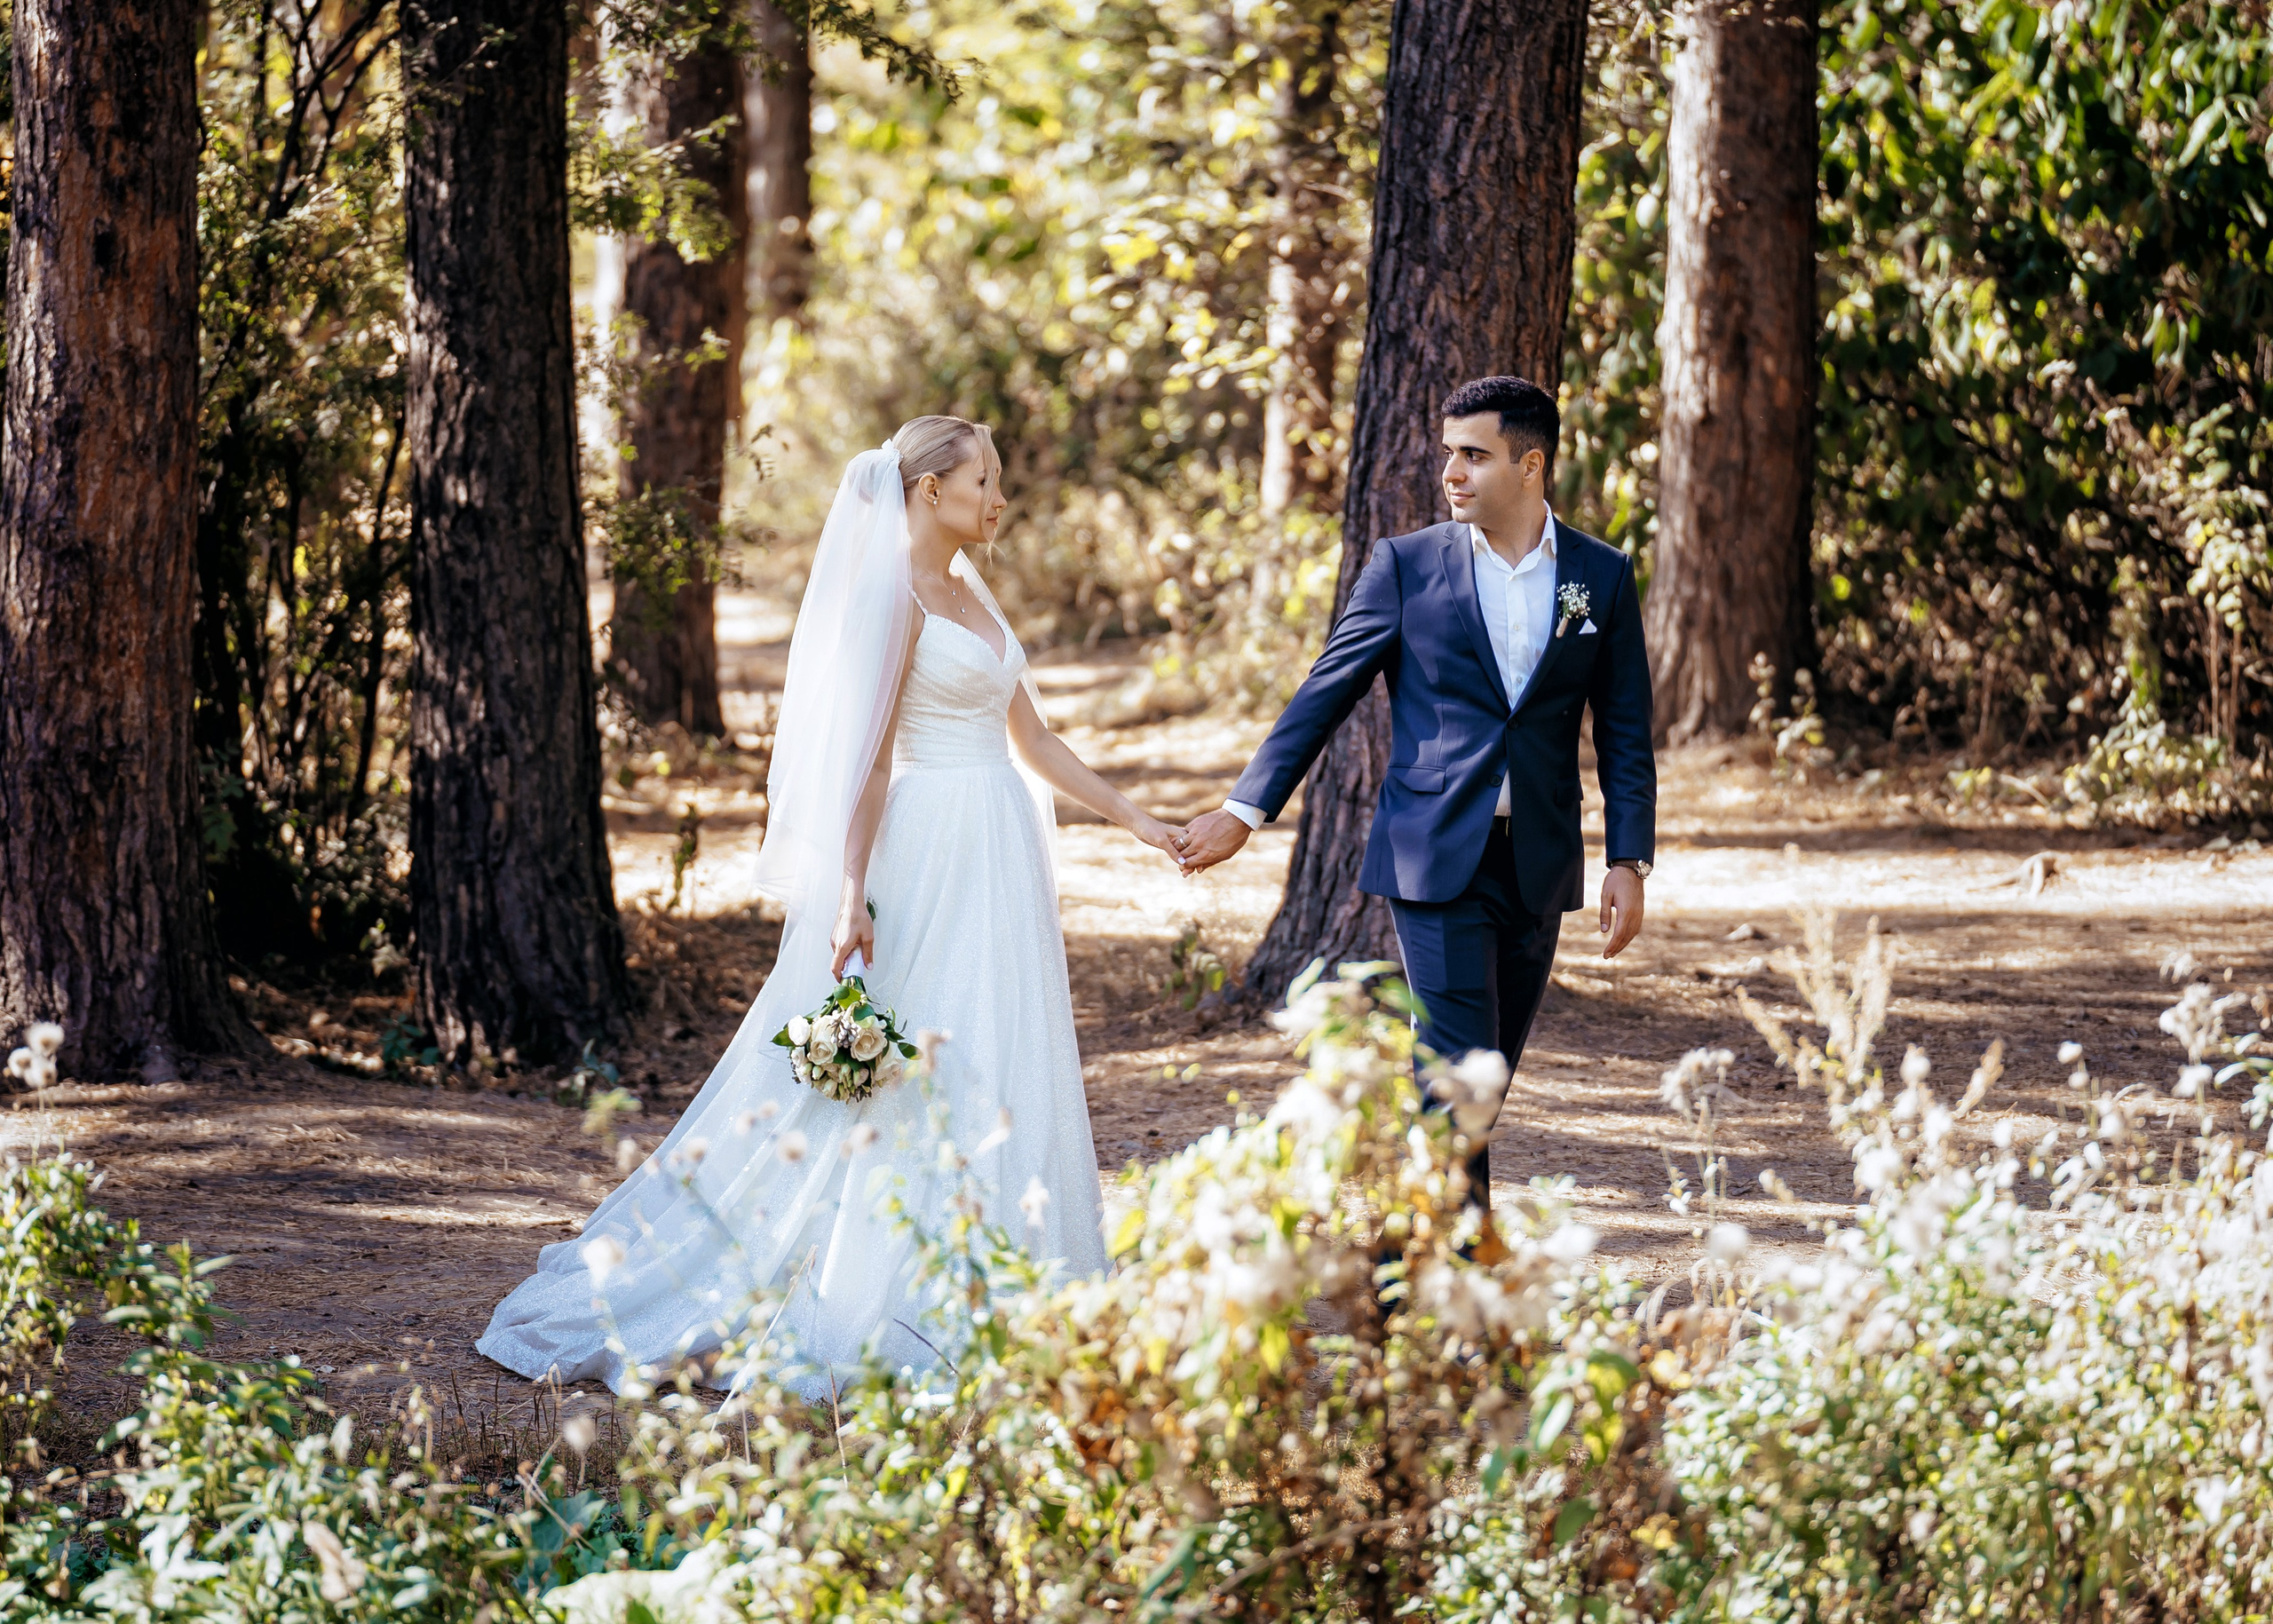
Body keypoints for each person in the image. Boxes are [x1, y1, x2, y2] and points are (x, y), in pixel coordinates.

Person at [478, 416, 1186, 1395]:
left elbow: (1033, 741)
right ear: (930, 488)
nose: (999, 498)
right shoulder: (894, 596)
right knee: (913, 1062)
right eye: (985, 479)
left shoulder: (969, 588)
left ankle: (997, 1279)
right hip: (927, 848)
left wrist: (1140, 820)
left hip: (999, 847)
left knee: (996, 1046)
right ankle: (880, 1291)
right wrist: (851, 894)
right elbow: (868, 762)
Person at [1175, 376, 1658, 1216]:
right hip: (1433, 856)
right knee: (1457, 1072)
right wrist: (1245, 810)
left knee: (1487, 1075)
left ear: (1530, 464)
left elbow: (1624, 729)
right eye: (1448, 453)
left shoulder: (1601, 576)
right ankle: (1456, 1267)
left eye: (1474, 454)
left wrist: (1629, 858)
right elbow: (1326, 690)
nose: (1452, 472)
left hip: (1540, 860)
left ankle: (1412, 1240)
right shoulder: (1406, 566)